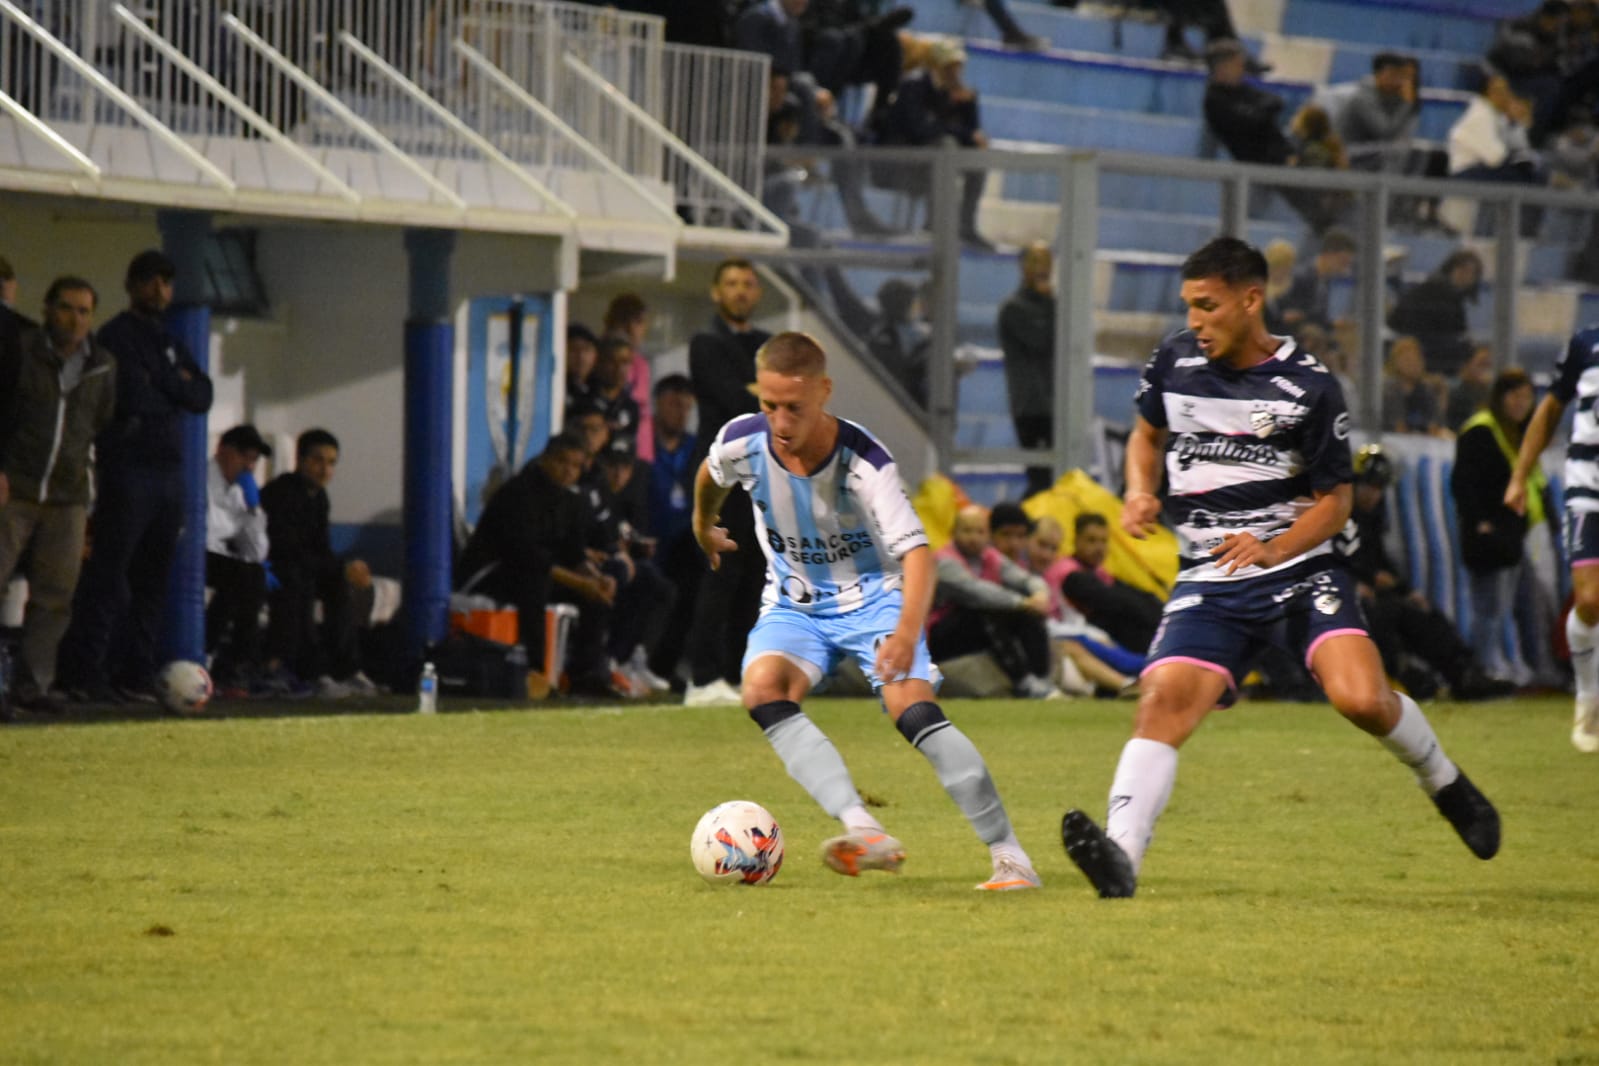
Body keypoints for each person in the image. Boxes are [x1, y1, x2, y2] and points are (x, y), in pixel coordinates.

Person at [1059, 236, 1500, 900]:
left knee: (1360, 699)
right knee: (1161, 703)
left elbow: (1336, 501)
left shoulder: (1309, 386)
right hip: (1210, 574)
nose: (1195, 320)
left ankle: (1444, 782)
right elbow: (1148, 434)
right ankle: (1120, 861)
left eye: (1207, 306)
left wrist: (1273, 548)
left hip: (1301, 570)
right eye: (1189, 306)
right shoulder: (1174, 361)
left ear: (1250, 299)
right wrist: (1138, 490)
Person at [693, 331, 1042, 890]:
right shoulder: (742, 441)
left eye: (794, 408)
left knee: (914, 713)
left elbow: (919, 554)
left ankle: (1011, 857)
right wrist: (701, 524)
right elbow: (711, 476)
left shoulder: (866, 463)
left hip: (877, 600)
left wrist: (906, 633)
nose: (780, 422)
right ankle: (863, 829)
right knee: (762, 689)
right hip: (796, 601)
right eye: (769, 405)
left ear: (825, 392)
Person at [57, 250, 214, 704]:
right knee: (109, 574)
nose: (160, 291)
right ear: (132, 285)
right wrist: (171, 385)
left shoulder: (167, 340)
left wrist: (163, 383)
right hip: (129, 469)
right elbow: (132, 398)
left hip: (167, 472)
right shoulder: (117, 337)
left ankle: (136, 670)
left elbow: (200, 393)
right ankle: (85, 669)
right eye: (151, 281)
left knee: (153, 579)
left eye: (166, 282)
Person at [0, 276, 116, 711]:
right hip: (17, 486)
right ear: (48, 308)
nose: (75, 319)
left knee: (54, 596)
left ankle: (35, 685)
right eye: (67, 308)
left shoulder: (102, 365)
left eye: (85, 311)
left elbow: (98, 422)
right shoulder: (20, 351)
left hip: (68, 495)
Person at [1346, 445, 1514, 701]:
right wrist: (1354, 582)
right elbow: (1327, 558)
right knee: (1377, 615)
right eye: (1369, 486)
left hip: (1373, 592)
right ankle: (1404, 674)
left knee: (1423, 613)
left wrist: (1405, 589)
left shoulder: (1372, 518)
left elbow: (1378, 560)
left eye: (1379, 489)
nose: (1374, 495)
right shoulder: (1337, 514)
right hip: (1342, 596)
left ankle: (1463, 673)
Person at [456, 433, 619, 696]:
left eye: (576, 465)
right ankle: (534, 673)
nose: (568, 471)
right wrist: (581, 583)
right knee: (536, 580)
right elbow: (527, 555)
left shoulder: (569, 499)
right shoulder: (519, 493)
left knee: (597, 595)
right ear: (545, 459)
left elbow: (574, 555)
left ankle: (586, 674)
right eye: (562, 462)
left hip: (532, 573)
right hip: (488, 575)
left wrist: (595, 579)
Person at [684, 258, 772, 706]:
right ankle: (700, 677)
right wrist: (757, 393)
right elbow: (736, 400)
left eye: (748, 284)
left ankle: (739, 673)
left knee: (757, 572)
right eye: (732, 283)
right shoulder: (705, 342)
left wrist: (760, 392)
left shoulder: (766, 344)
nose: (740, 291)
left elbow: (779, 396)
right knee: (720, 570)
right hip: (719, 471)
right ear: (717, 292)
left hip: (760, 473)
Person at [1508, 324, 1599, 751]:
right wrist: (1520, 475)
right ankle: (1587, 697)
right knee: (1588, 599)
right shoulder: (1586, 344)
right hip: (1588, 486)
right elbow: (1549, 411)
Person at [1457, 369, 1562, 688]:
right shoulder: (1481, 431)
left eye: (1527, 398)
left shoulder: (1520, 434)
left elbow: (1534, 482)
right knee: (1489, 605)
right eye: (1515, 396)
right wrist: (1479, 523)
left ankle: (1523, 666)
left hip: (1516, 534)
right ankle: (1485, 669)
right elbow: (1464, 483)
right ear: (1500, 397)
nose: (1521, 403)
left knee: (1517, 604)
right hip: (1491, 536)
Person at [259, 428, 378, 698]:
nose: (325, 469)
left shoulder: (320, 498)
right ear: (300, 461)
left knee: (338, 584)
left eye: (331, 462)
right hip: (275, 568)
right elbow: (285, 549)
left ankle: (346, 670)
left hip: (301, 566)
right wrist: (337, 567)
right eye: (318, 460)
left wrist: (346, 568)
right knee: (299, 581)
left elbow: (320, 549)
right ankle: (313, 672)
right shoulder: (281, 493)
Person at [928, 504, 1061, 700]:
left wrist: (1040, 594)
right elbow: (976, 592)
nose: (973, 537)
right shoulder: (944, 561)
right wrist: (1023, 602)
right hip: (940, 634)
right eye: (967, 530)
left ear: (987, 534)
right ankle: (1023, 681)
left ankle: (1041, 679)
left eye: (980, 531)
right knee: (986, 611)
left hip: (972, 630)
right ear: (953, 532)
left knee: (1029, 614)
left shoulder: (990, 556)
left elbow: (1025, 578)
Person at [1202, 39, 1338, 231]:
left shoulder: (1242, 90)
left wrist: (1261, 111)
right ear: (1222, 68)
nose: (1242, 70)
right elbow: (1250, 121)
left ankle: (1334, 200)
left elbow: (1274, 101)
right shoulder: (1215, 100)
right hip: (1258, 159)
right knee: (1298, 181)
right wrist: (1261, 111)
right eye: (1238, 65)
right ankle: (1324, 220)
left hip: (1280, 150)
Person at [874, 38, 994, 250]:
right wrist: (959, 130)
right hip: (905, 161)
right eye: (950, 67)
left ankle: (966, 226)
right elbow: (921, 130)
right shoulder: (914, 86)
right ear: (937, 67)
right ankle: (934, 223)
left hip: (941, 160)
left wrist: (968, 106)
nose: (955, 73)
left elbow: (972, 136)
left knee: (975, 156)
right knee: (945, 145)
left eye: (958, 67)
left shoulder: (958, 92)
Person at [204, 424, 272, 695]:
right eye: (244, 456)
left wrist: (254, 509)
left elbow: (257, 552)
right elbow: (206, 534)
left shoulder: (240, 491)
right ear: (223, 451)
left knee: (252, 575)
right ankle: (228, 662)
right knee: (243, 576)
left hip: (224, 559)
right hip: (193, 554)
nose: (249, 465)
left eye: (254, 459)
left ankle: (234, 665)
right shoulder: (203, 478)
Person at [646, 373, 700, 686]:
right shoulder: (643, 444)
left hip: (681, 542)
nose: (679, 412)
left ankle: (666, 666)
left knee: (692, 589)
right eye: (673, 404)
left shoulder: (695, 448)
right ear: (657, 404)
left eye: (685, 406)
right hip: (650, 534)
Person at [997, 240, 1056, 496]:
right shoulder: (1014, 308)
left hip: (1056, 403)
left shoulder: (1055, 305)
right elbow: (1040, 341)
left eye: (1045, 260)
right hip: (1029, 405)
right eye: (1034, 260)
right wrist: (1052, 304)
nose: (1041, 267)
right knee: (1039, 476)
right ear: (1022, 266)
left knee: (1056, 477)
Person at [1386, 248, 1484, 376]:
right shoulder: (1438, 292)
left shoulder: (1446, 293)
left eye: (1471, 273)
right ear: (1452, 269)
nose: (1466, 276)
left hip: (1427, 347)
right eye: (1463, 270)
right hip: (1429, 352)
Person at [602, 293, 655, 462]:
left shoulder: (641, 365)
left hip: (640, 455)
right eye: (625, 322)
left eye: (638, 322)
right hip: (609, 454)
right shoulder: (599, 360)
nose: (631, 330)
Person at [1276, 228, 1356, 334]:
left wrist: (1333, 324)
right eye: (1343, 262)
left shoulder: (1324, 282)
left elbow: (1316, 317)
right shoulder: (1300, 278)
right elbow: (1289, 316)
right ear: (1329, 254)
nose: (1345, 268)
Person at [1381, 335, 1448, 436]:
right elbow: (1398, 426)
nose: (1413, 364)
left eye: (1416, 359)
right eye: (1407, 359)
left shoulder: (1427, 390)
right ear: (1396, 362)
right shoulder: (1389, 391)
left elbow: (1434, 425)